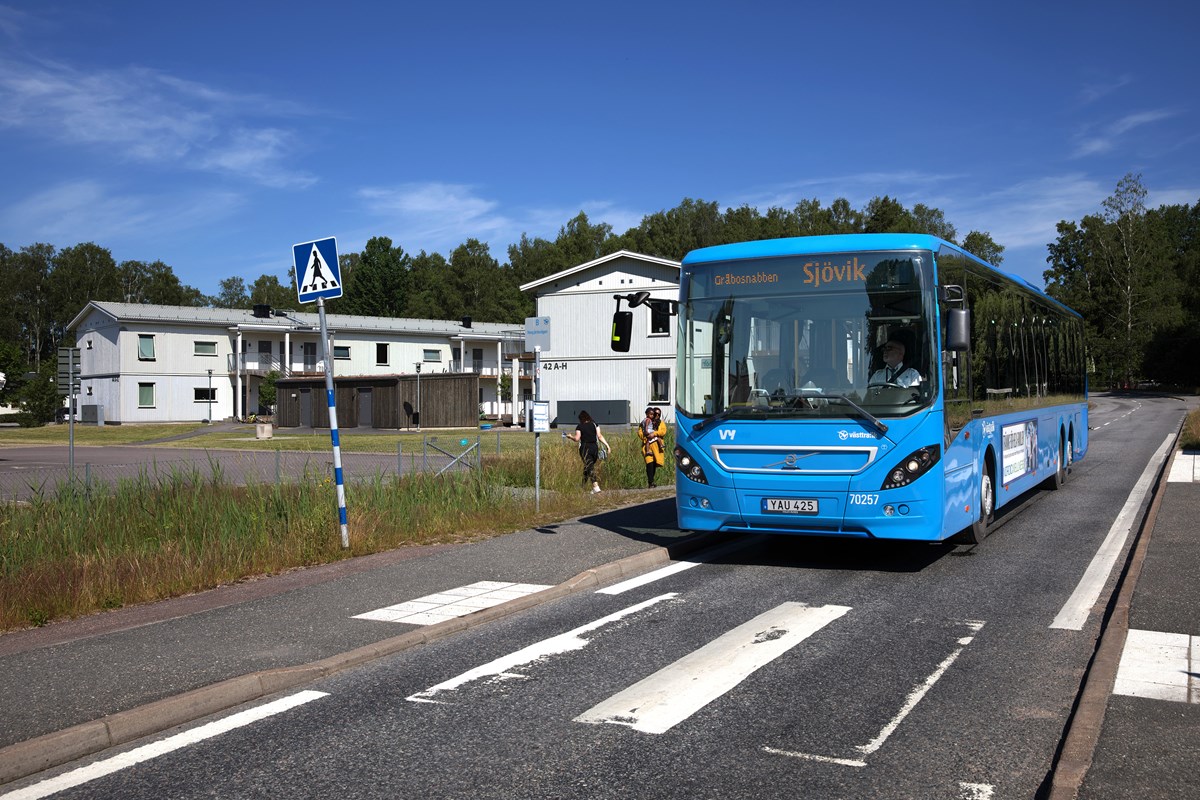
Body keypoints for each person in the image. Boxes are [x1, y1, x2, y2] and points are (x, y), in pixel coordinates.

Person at [570, 410, 610, 493]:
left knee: (589, 467)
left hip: (585, 448)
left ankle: (596, 487)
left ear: (581, 419)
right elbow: (599, 436)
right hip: (595, 448)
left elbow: (577, 439)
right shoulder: (595, 424)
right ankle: (582, 486)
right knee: (587, 466)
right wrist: (607, 446)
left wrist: (570, 437)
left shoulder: (579, 426)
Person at [638, 406, 667, 487]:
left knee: (654, 464)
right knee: (649, 463)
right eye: (655, 414)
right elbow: (640, 432)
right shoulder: (646, 421)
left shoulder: (661, 423)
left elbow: (663, 431)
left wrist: (654, 434)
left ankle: (652, 481)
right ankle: (650, 482)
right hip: (647, 444)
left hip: (657, 446)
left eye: (659, 414)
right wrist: (646, 436)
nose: (657, 415)